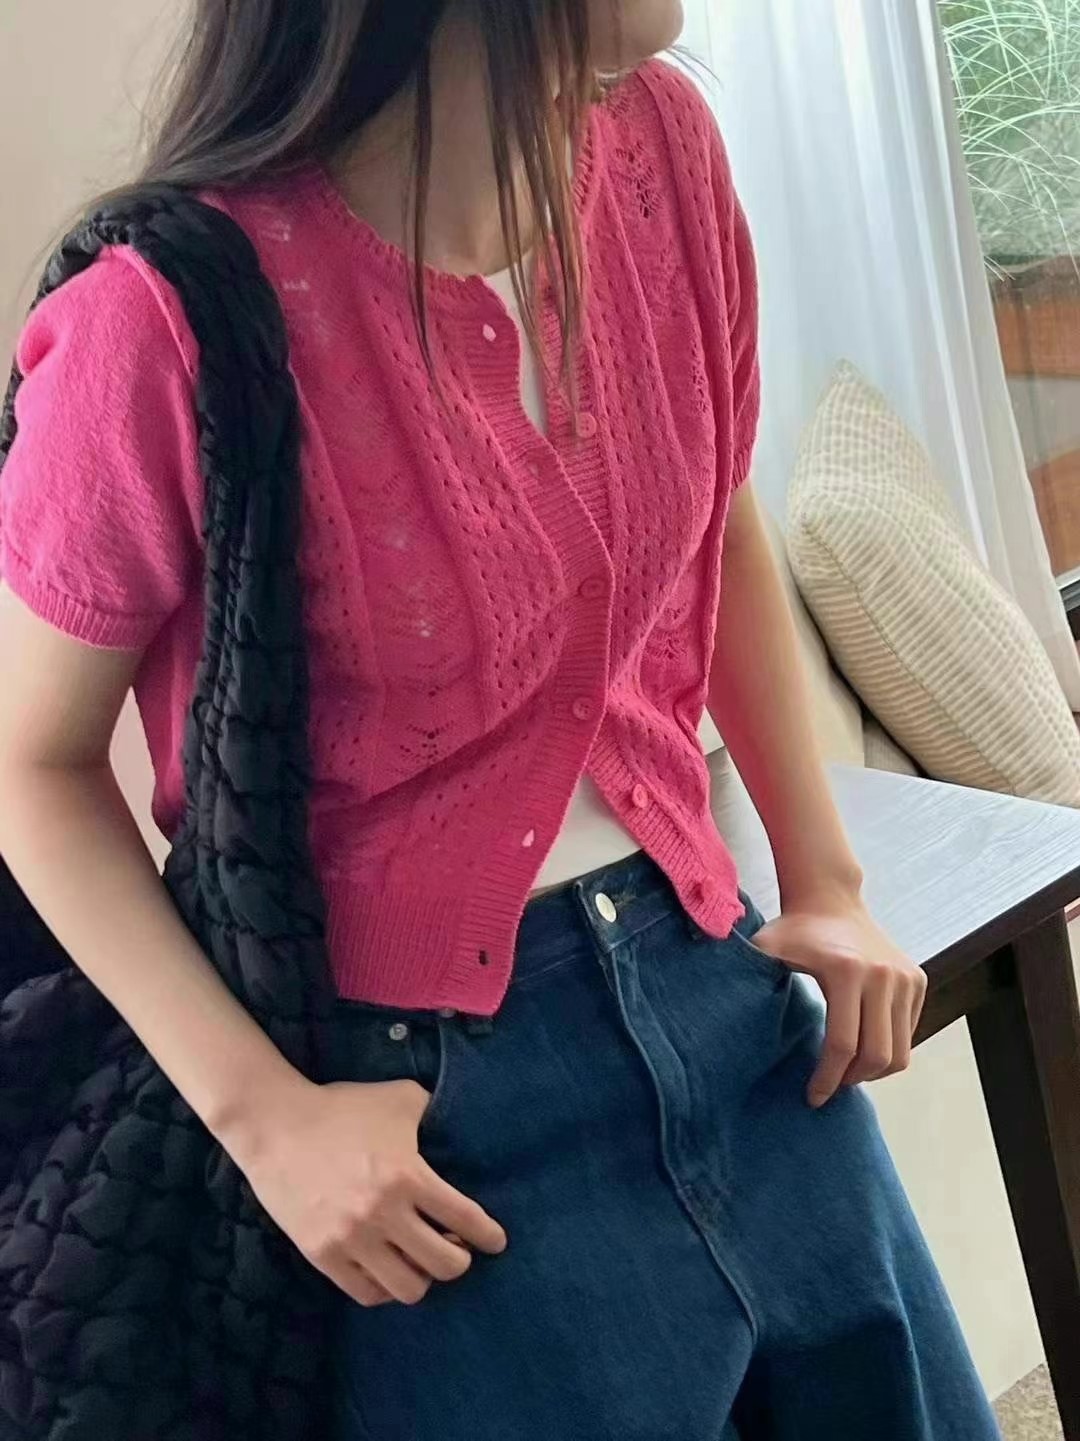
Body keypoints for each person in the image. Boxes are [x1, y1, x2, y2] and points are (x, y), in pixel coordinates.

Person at [0, 2, 1004, 1437]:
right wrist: (271, 1122)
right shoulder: (161, 315)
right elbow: (30, 766)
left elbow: (717, 511)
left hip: (716, 975)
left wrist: (825, 876)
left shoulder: (663, 149)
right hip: (422, 1118)